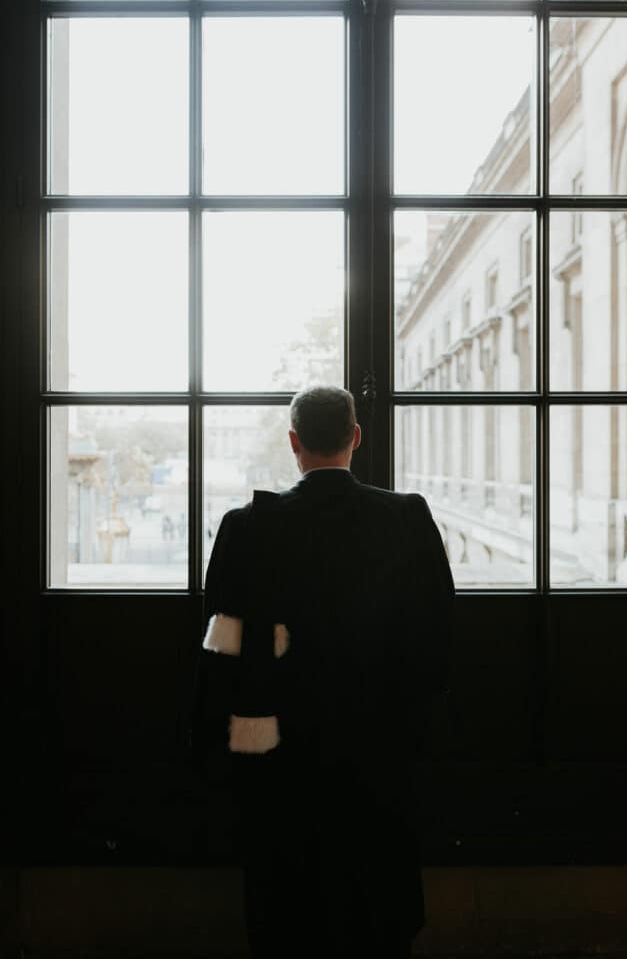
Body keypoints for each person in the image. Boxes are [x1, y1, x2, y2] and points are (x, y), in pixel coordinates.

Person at [191, 385, 455, 959]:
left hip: (282, 753)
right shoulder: (407, 520)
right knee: (376, 905)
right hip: (377, 748)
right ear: (356, 438)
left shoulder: (247, 527)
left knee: (289, 909)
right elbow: (437, 641)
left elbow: (222, 654)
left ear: (294, 442)